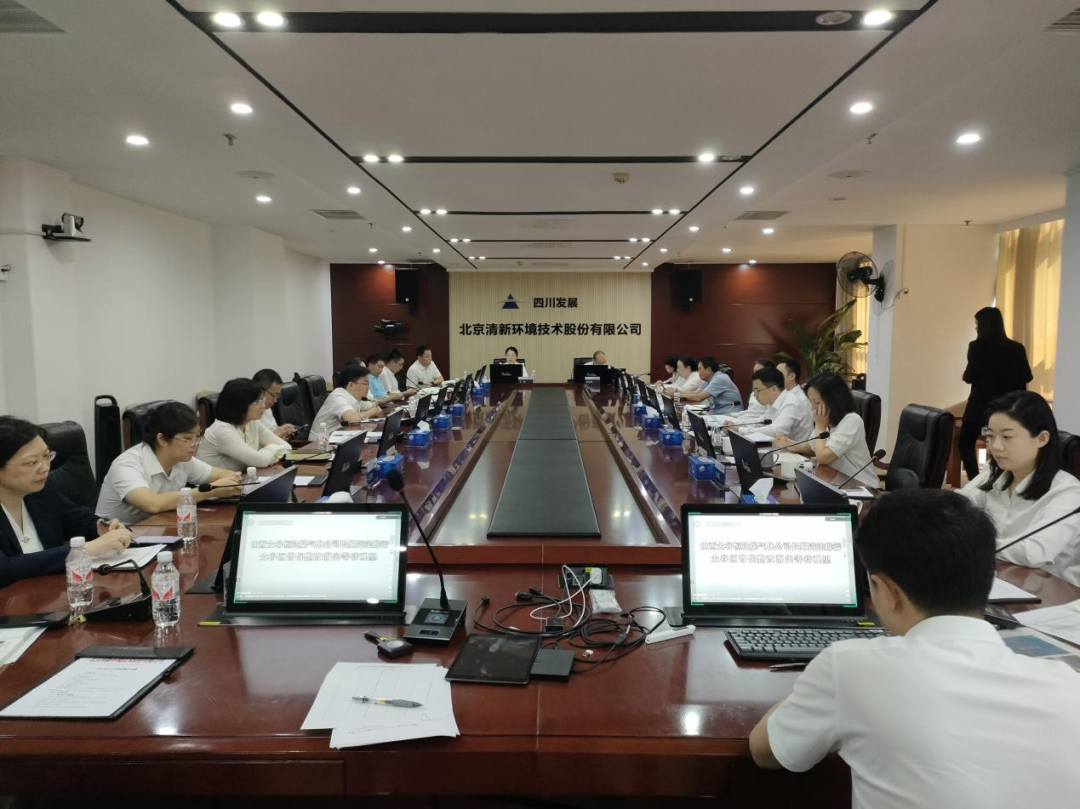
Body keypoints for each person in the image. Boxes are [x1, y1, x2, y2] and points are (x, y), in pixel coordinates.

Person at [750, 488, 1080, 808]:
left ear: (883, 590)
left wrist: (814, 692)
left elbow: (766, 752)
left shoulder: (850, 668)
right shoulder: (1068, 685)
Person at [960, 391, 1080, 585]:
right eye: (990, 436)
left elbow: (1034, 553)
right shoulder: (994, 472)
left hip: (1053, 593)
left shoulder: (1067, 492)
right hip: (1001, 580)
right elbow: (956, 508)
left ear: (1041, 439)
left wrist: (970, 542)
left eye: (1007, 437)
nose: (995, 446)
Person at [0, 417, 132, 588]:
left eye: (46, 456)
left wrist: (101, 527)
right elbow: (4, 569)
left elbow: (75, 518)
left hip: (51, 593)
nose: (45, 468)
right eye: (31, 463)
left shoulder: (41, 491)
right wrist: (82, 551)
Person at [97, 402, 243, 526]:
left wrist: (230, 481)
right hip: (118, 538)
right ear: (161, 439)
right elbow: (152, 504)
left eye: (197, 436)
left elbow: (221, 474)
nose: (195, 444)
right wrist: (213, 491)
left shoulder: (182, 459)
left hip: (159, 529)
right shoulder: (127, 464)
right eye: (187, 438)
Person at [959, 307, 1033, 480]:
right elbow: (1027, 376)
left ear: (984, 325)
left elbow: (969, 376)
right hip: (1008, 407)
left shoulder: (976, 347)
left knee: (965, 444)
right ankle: (999, 481)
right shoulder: (1017, 348)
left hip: (979, 405)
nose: (976, 327)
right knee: (1003, 447)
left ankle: (976, 480)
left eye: (977, 324)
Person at [786, 372, 878, 488]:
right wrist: (787, 444)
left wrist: (819, 426)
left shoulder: (851, 421)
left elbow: (823, 458)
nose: (813, 408)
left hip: (862, 487)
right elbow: (811, 447)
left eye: (817, 402)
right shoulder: (828, 420)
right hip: (837, 483)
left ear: (834, 400)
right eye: (811, 402)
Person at [197, 378, 290, 472]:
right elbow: (260, 461)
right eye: (257, 402)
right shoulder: (222, 430)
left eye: (262, 400)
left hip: (244, 477)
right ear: (240, 404)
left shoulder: (252, 422)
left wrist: (265, 455)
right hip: (218, 480)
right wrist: (272, 448)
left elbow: (287, 447)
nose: (263, 406)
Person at [310, 365, 383, 443]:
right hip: (319, 444)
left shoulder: (357, 397)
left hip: (339, 438)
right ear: (351, 385)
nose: (368, 387)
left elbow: (377, 409)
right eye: (365, 384)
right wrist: (361, 416)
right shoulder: (337, 397)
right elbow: (355, 420)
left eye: (368, 384)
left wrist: (361, 415)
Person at [746, 366, 813, 442]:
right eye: (754, 391)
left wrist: (743, 430)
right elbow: (760, 422)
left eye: (757, 391)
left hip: (796, 449)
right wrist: (737, 426)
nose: (755, 395)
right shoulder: (775, 402)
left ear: (774, 389)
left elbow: (775, 431)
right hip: (780, 446)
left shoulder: (791, 403)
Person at [252, 368, 296, 439]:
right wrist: (276, 435)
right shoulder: (249, 415)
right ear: (260, 391)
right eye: (274, 395)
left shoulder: (267, 409)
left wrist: (284, 432)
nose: (275, 400)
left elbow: (274, 431)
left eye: (278, 396)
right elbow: (256, 444)